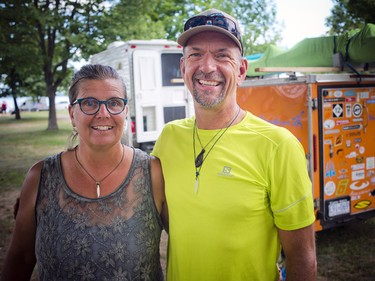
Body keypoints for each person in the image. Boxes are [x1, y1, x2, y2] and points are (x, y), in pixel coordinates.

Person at [151, 8, 316, 281]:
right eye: (195, 54)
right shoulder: (169, 138)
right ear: (183, 68)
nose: (206, 67)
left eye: (222, 55)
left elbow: (303, 259)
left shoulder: (278, 146)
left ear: (241, 70)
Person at [1, 64, 168, 280]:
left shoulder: (152, 173)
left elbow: (190, 238)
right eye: (89, 103)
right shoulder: (41, 177)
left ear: (125, 112)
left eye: (114, 103)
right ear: (72, 114)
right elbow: (21, 258)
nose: (103, 113)